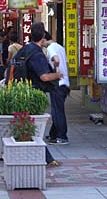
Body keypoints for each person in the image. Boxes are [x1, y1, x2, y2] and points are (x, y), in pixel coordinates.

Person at [13, 22, 62, 166]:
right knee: (35, 126)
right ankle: (46, 158)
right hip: (33, 95)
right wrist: (58, 75)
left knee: (27, 123)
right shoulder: (37, 53)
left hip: (20, 91)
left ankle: (46, 157)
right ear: (43, 36)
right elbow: (44, 77)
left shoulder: (25, 49)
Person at [43, 31, 70, 145]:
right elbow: (66, 63)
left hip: (58, 83)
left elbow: (56, 60)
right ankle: (53, 134)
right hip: (65, 83)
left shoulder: (50, 48)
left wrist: (56, 70)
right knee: (57, 110)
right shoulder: (60, 47)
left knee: (57, 111)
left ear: (43, 39)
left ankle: (62, 136)